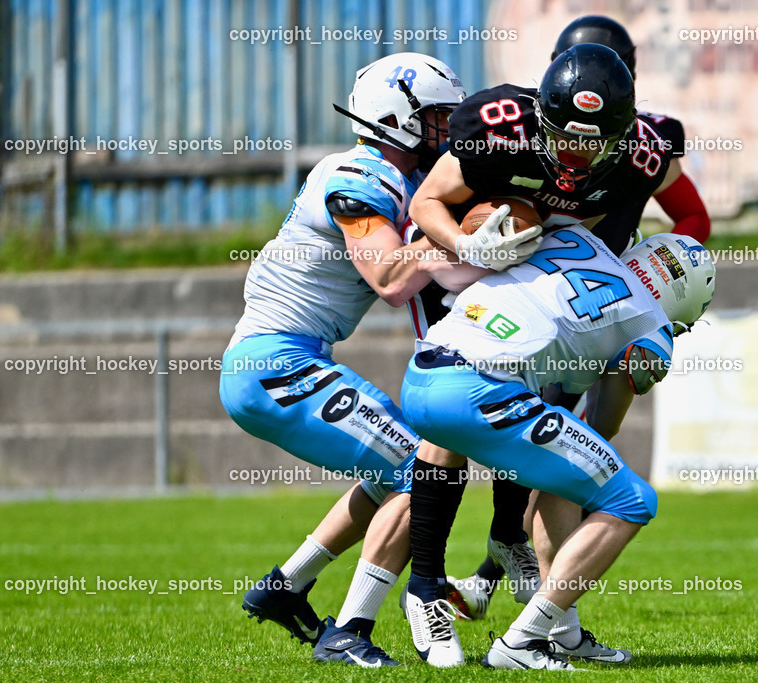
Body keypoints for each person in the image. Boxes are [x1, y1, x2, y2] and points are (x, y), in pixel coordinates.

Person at [219, 51, 537, 667]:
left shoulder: (403, 181)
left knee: (400, 460)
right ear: (400, 118)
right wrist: (461, 234)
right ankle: (348, 632)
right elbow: (392, 277)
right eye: (440, 116)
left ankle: (286, 587)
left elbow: (434, 264)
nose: (451, 129)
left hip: (289, 358)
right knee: (417, 471)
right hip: (274, 364)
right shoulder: (354, 176)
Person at [402, 42, 711, 665]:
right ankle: (450, 597)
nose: (574, 155)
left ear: (621, 137)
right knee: (597, 479)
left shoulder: (637, 162)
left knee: (552, 454)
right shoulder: (499, 130)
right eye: (562, 136)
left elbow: (687, 217)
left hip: (470, 347)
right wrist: (472, 243)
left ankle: (535, 603)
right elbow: (425, 203)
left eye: (592, 143)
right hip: (470, 263)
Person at [401, 227, 716, 669]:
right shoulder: (652, 325)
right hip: (477, 394)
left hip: (421, 374)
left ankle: (561, 631)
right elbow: (603, 427)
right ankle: (521, 642)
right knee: (631, 498)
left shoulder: (577, 235)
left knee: (567, 475)